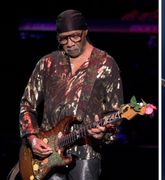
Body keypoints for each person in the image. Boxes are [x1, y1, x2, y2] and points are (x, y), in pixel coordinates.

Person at [18, 9, 123, 180]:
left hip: (86, 153)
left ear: (85, 31)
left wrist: (104, 132)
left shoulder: (106, 64)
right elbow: (27, 104)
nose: (70, 43)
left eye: (75, 36)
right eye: (63, 38)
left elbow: (115, 113)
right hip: (48, 153)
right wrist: (31, 137)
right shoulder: (48, 63)